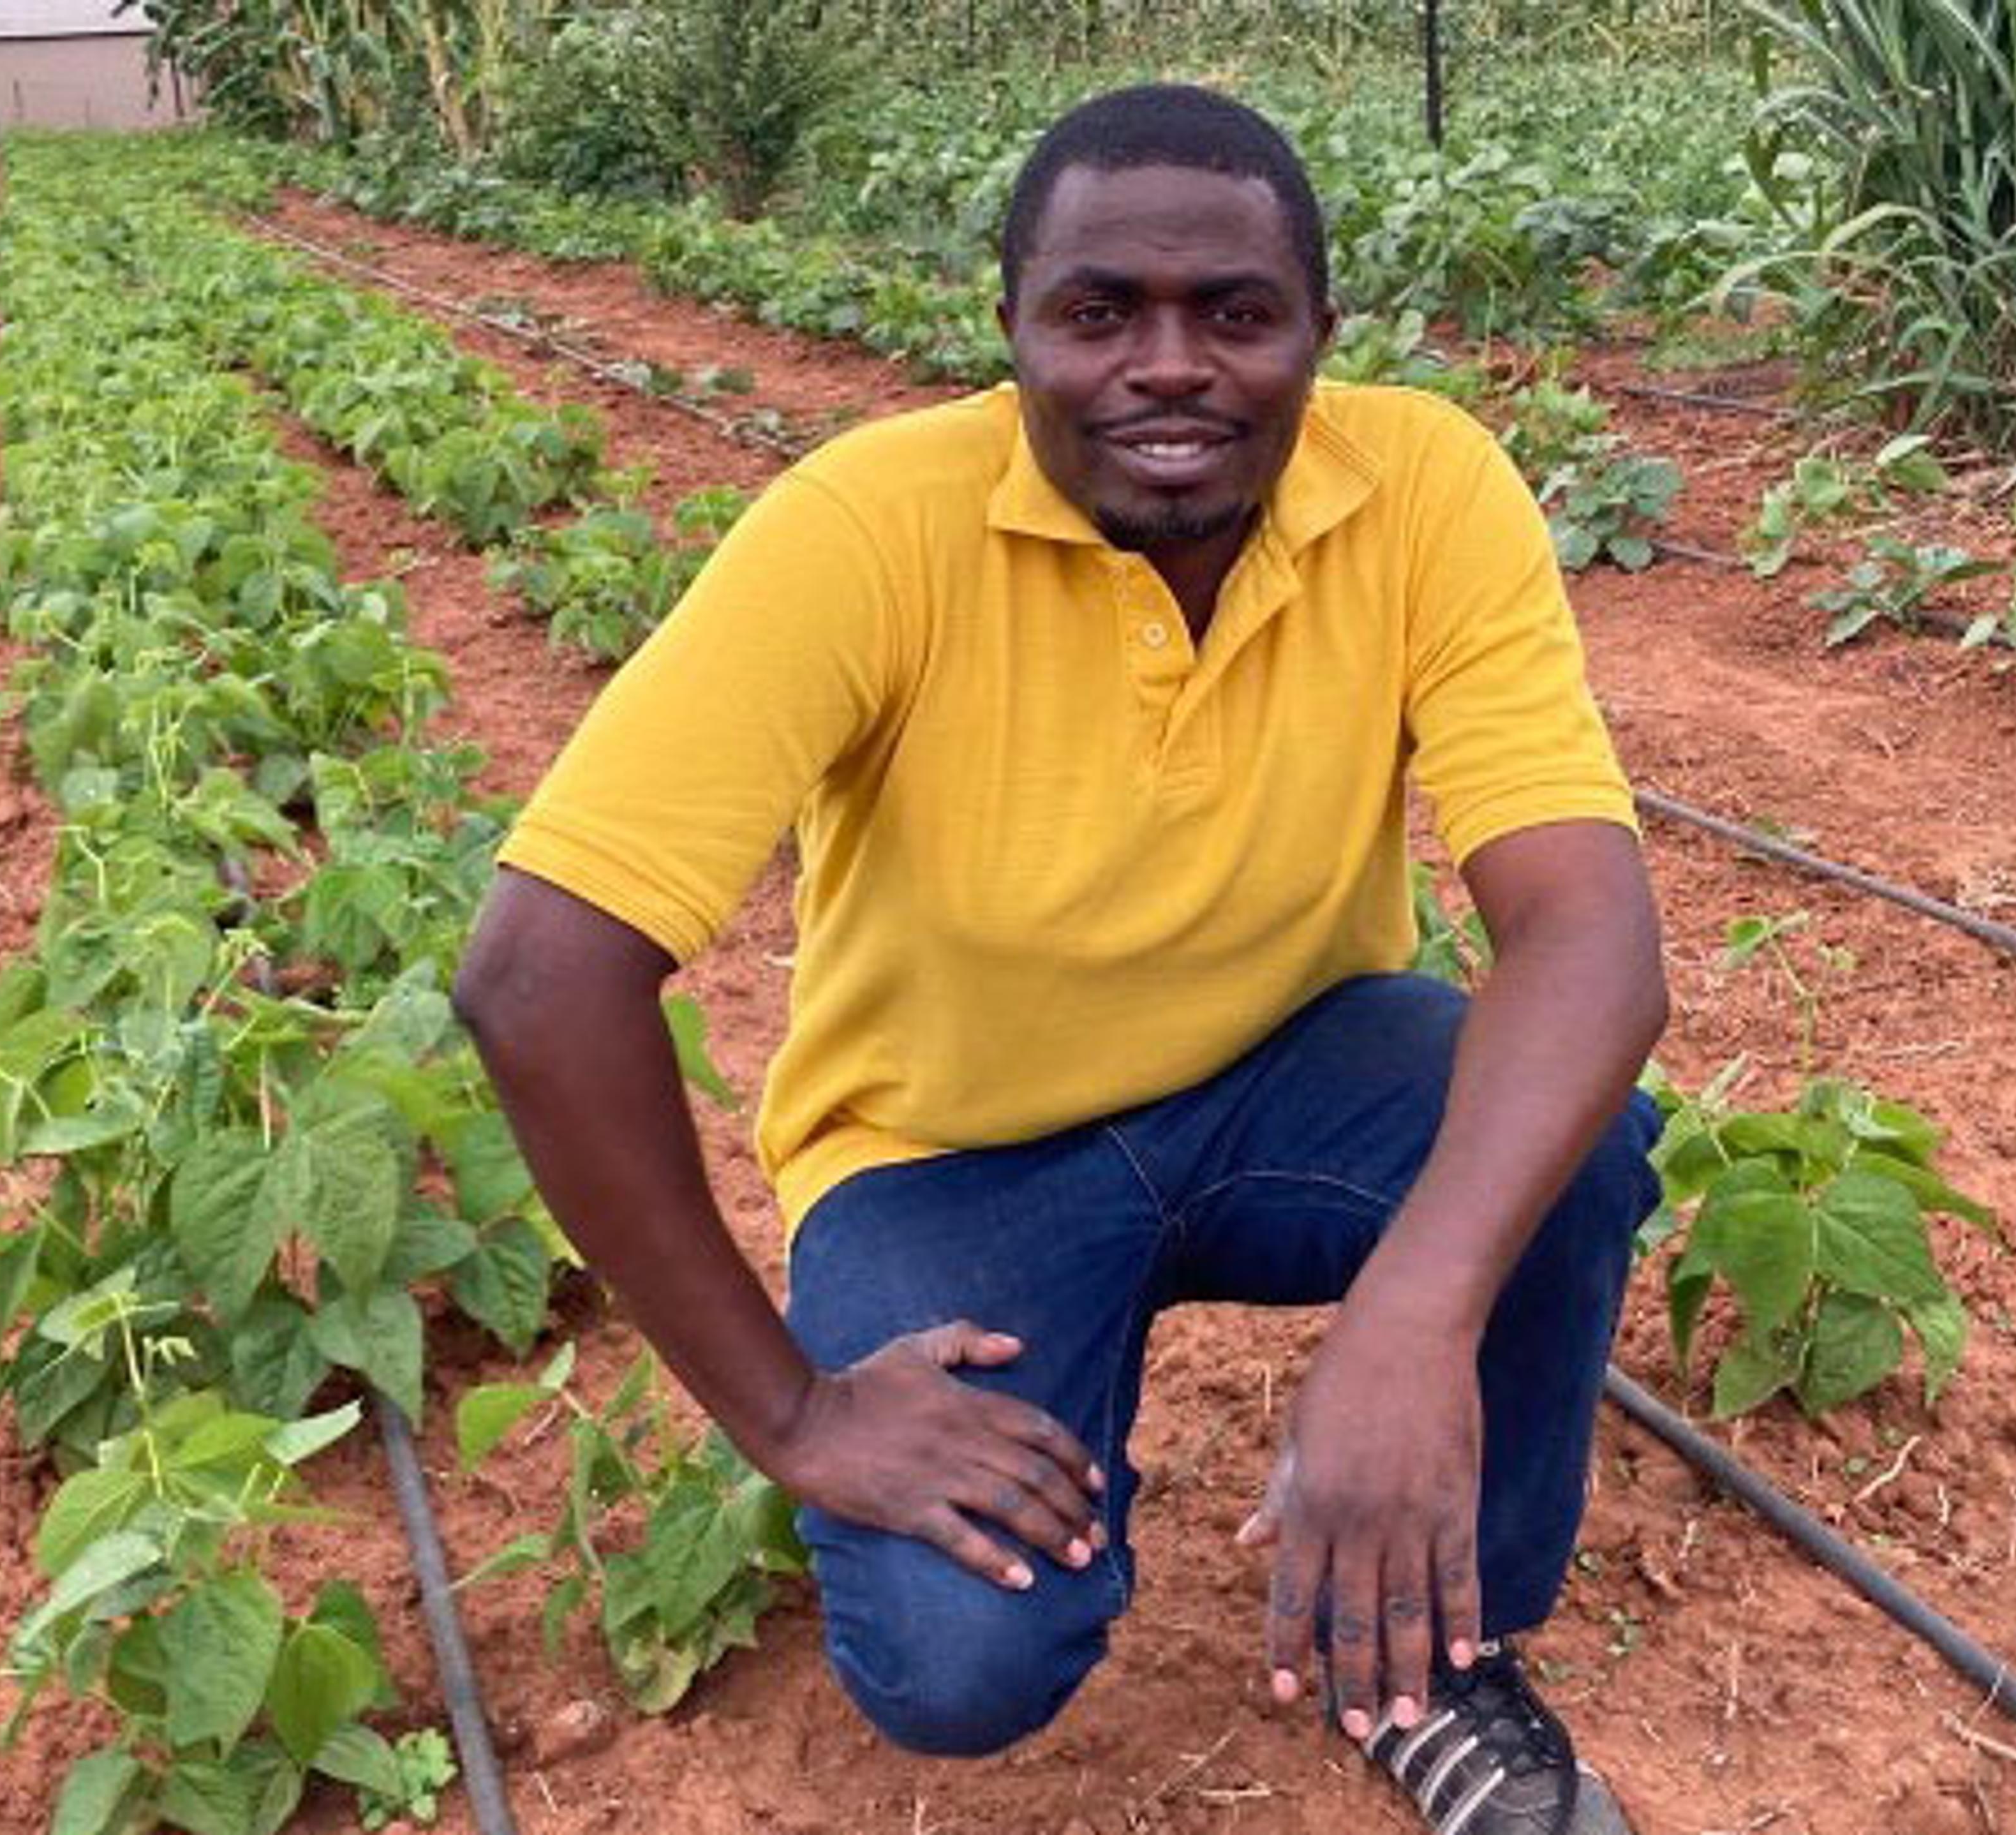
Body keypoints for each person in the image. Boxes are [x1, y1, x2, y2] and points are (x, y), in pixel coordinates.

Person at [454, 83, 1668, 1835]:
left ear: (1323, 330)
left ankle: (1431, 1651)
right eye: (1100, 311)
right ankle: (1060, 1418)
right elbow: (537, 974)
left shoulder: (1421, 486)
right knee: (961, 1666)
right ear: (1010, 327)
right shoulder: (872, 524)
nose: (1168, 364)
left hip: (1288, 1071)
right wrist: (794, 1413)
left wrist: (1411, 1316)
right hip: (955, 1160)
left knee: (1566, 1152)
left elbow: (1592, 935)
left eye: (1235, 314)